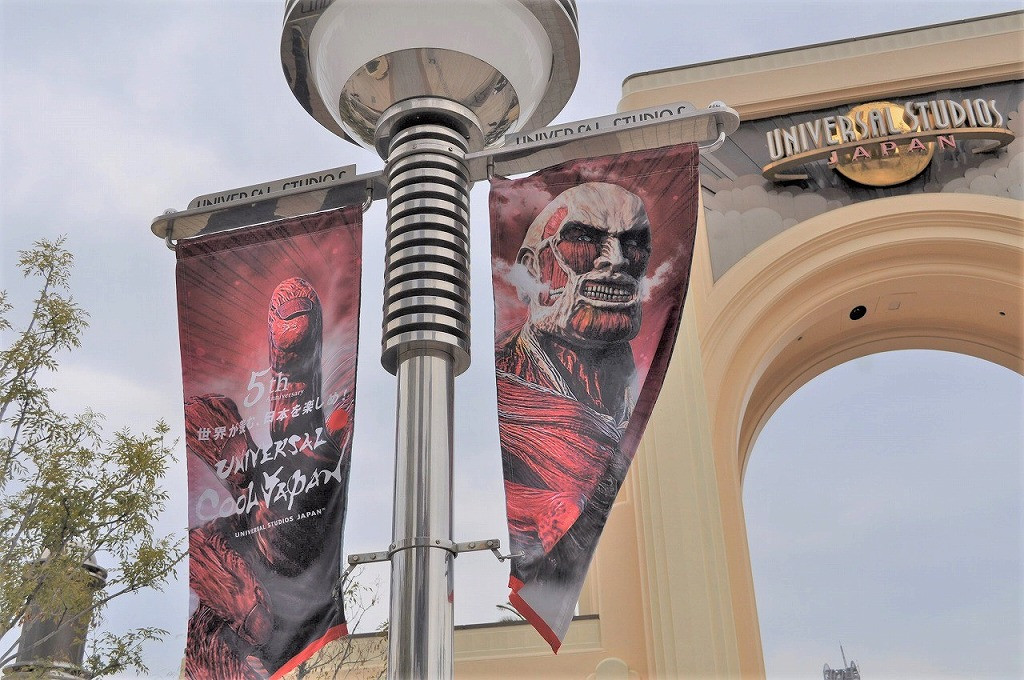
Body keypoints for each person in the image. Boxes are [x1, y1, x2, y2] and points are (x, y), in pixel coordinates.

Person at [495, 182, 652, 595]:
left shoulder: (653, 391)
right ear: (532, 269)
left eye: (634, 245)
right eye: (583, 240)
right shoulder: (503, 381)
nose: (616, 260)